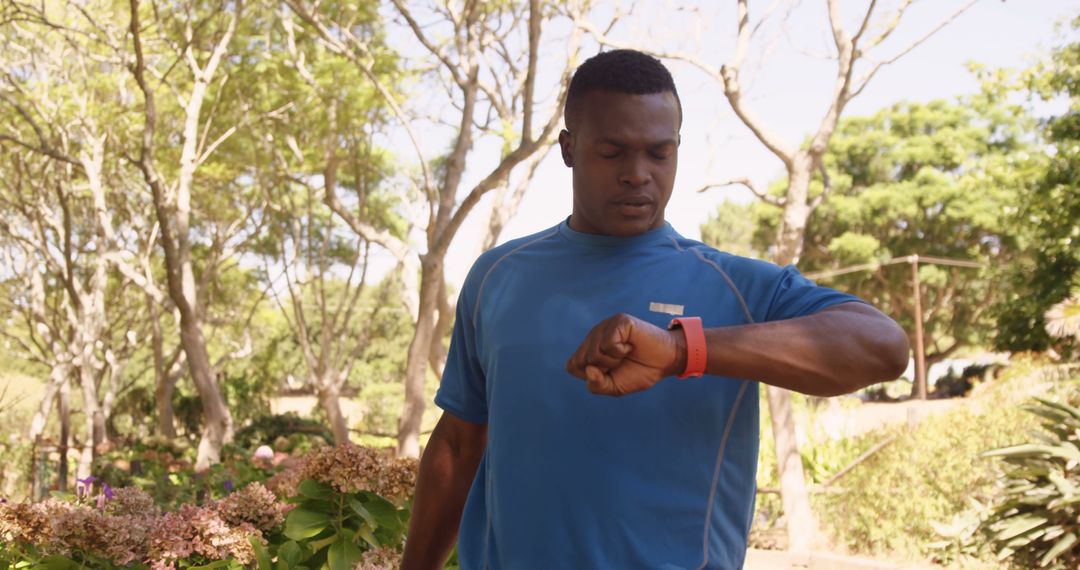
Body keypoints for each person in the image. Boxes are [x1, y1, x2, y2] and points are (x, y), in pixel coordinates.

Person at [401, 49, 909, 569]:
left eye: (659, 154)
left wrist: (681, 349)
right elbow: (458, 446)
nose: (637, 174)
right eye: (613, 152)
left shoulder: (735, 287)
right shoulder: (496, 276)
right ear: (569, 148)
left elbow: (883, 347)